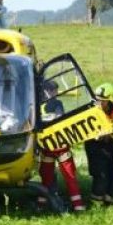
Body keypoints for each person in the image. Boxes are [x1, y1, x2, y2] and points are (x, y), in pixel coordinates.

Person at [38, 80, 86, 212]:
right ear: (49, 91)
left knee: (47, 178)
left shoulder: (37, 105)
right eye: (54, 91)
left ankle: (41, 206)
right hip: (59, 145)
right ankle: (78, 206)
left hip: (47, 147)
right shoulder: (57, 104)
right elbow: (61, 119)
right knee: (69, 177)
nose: (56, 94)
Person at [84, 83, 113, 206]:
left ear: (110, 101)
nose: (100, 104)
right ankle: (96, 204)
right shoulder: (91, 112)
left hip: (110, 146)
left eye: (103, 101)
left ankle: (109, 200)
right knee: (101, 176)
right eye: (98, 100)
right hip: (94, 146)